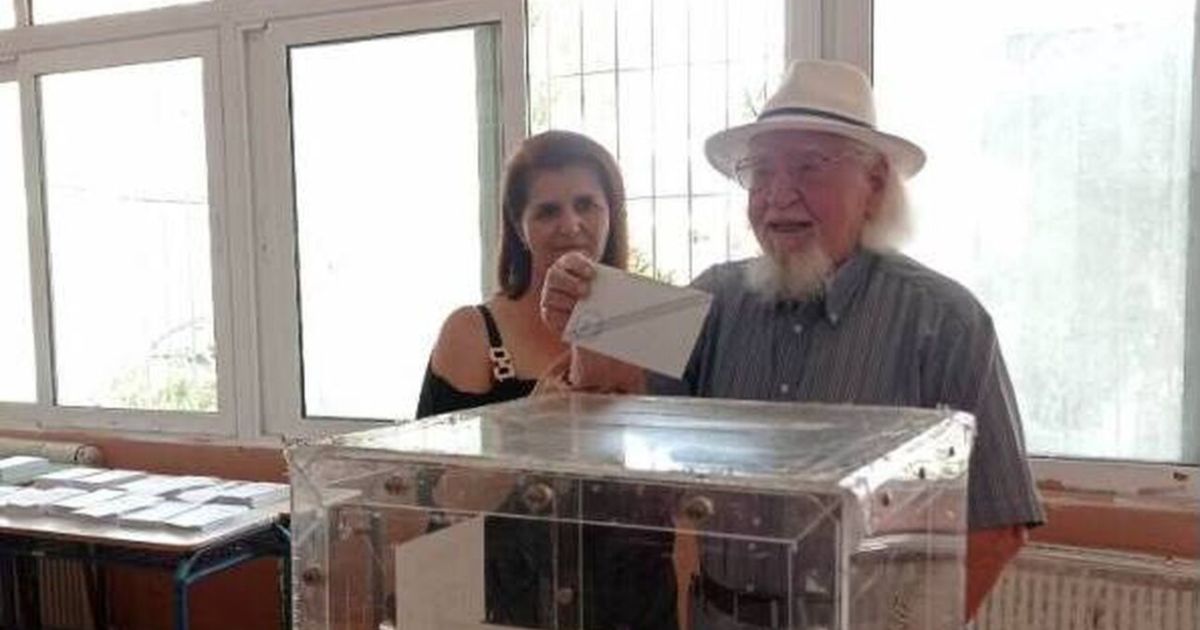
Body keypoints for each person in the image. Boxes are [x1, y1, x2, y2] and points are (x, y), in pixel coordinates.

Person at [540, 60, 1045, 626]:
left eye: (809, 167)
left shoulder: (946, 321)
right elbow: (606, 409)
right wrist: (581, 310)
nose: (778, 196)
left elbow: (996, 526)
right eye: (760, 172)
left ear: (875, 185)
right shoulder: (713, 298)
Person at [416, 130, 676, 629]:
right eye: (547, 211)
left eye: (586, 205)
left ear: (611, 214)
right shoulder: (473, 332)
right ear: (518, 226)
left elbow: (679, 488)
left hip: (629, 601)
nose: (570, 225)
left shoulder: (647, 322)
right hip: (507, 606)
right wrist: (529, 425)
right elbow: (441, 501)